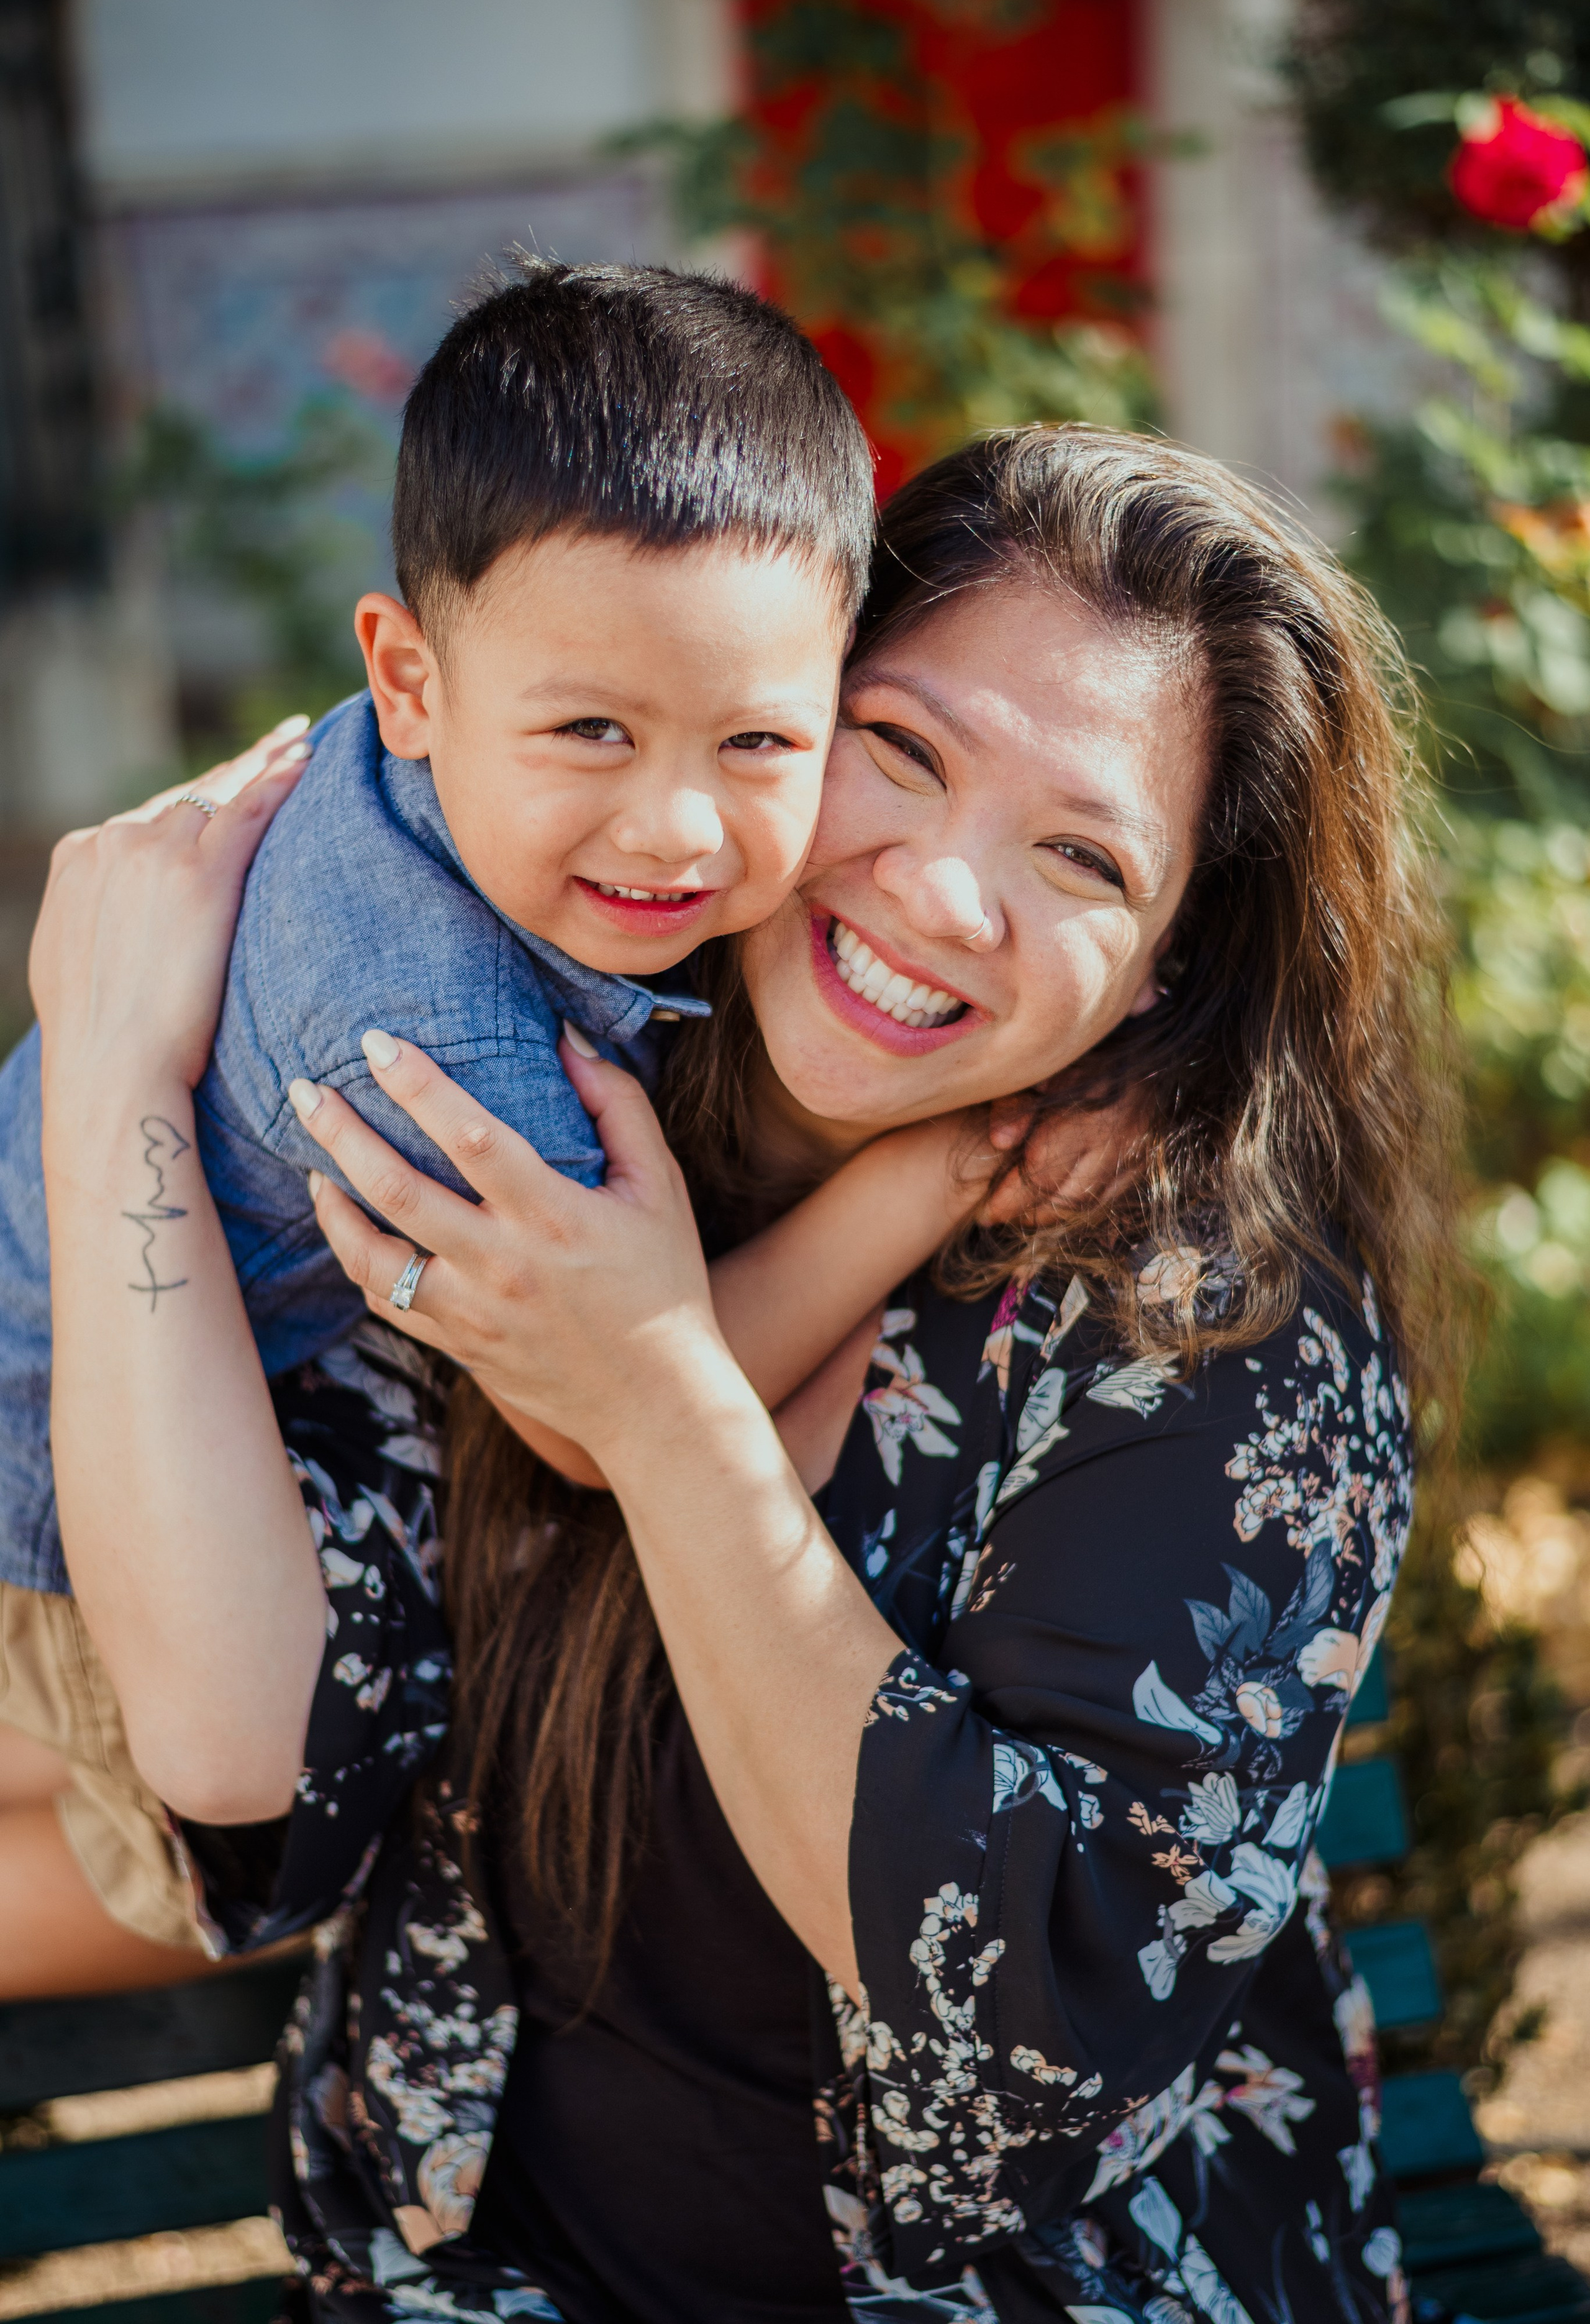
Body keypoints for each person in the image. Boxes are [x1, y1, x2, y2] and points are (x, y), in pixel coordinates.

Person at [35, 425, 1460, 2322]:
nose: (946, 893)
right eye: (903, 748)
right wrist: (111, 1075)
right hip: (476, 2274)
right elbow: (283, 1749)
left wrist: (661, 1400)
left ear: (1165, 970)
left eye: (1081, 855)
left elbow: (1016, 2050)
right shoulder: (558, 1100)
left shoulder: (1216, 1335)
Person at [0, 262, 996, 1995]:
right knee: (207, 1840)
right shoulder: (432, 1032)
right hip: (51, 1485)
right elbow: (599, 1414)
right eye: (592, 730)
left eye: (761, 736)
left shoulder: (432, 771)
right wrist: (941, 1170)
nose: (677, 823)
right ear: (408, 677)